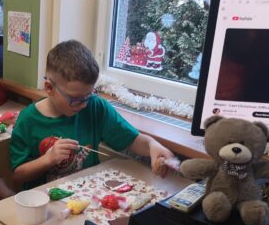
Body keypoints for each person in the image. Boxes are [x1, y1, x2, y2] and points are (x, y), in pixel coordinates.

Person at [10, 40, 176, 191]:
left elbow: (132, 140)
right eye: (75, 99)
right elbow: (18, 175)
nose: (83, 104)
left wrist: (152, 145)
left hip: (87, 196)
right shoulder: (28, 120)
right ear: (49, 88)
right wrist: (48, 159)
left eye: (88, 95)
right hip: (45, 203)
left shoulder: (95, 107)